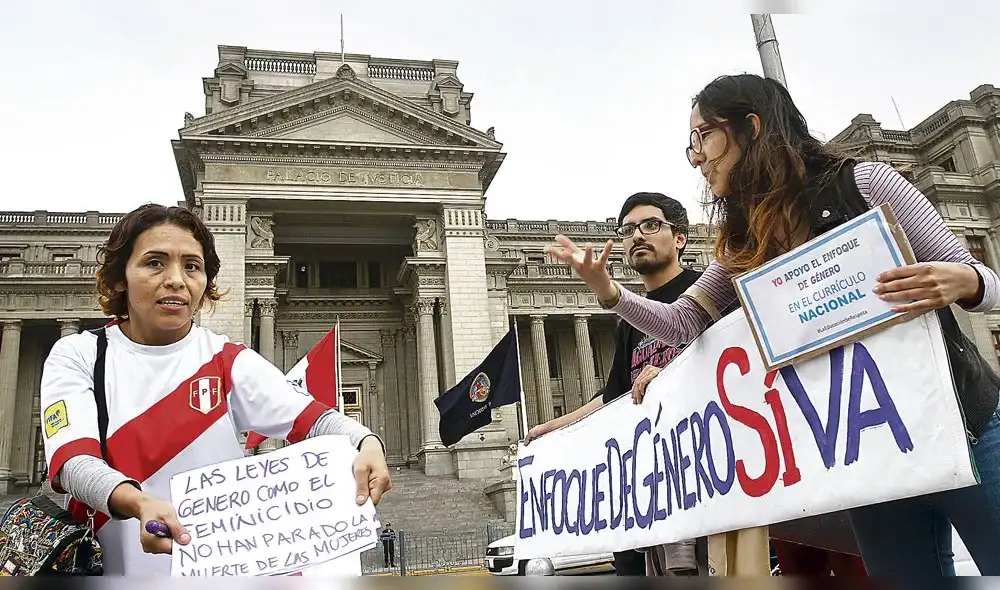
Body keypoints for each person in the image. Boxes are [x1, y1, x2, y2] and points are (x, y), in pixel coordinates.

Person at [546, 73, 1000, 578]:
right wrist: (608, 291)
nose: (695, 156)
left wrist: (962, 280)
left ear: (751, 127)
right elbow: (682, 322)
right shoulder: (743, 240)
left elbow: (987, 285)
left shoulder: (866, 185)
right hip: (870, 448)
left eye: (703, 136)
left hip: (963, 420)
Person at [39, 203, 392, 576]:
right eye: (155, 263)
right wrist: (140, 504)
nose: (176, 280)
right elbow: (73, 463)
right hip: (118, 567)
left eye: (192, 266)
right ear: (119, 277)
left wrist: (367, 442)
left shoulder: (227, 359)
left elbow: (314, 418)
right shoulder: (79, 354)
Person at [524, 192, 704, 576]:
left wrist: (669, 376)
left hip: (706, 475)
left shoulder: (707, 290)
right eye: (627, 230)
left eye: (651, 225)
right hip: (653, 482)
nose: (637, 235)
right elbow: (614, 395)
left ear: (681, 238)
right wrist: (554, 427)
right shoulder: (631, 322)